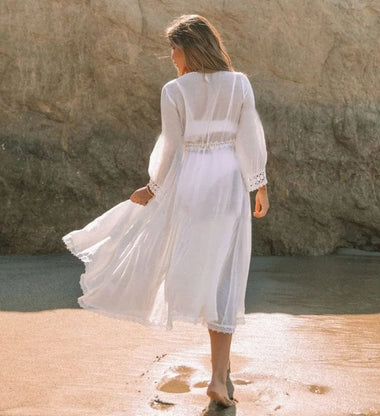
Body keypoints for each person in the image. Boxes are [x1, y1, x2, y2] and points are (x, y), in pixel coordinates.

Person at [63, 14, 269, 408]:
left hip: (192, 185)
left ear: (189, 48)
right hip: (227, 185)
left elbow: (170, 148)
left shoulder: (174, 91)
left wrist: (154, 188)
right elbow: (248, 137)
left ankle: (222, 376)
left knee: (203, 271)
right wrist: (259, 183)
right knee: (226, 275)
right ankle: (219, 377)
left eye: (173, 48)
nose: (171, 56)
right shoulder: (239, 83)